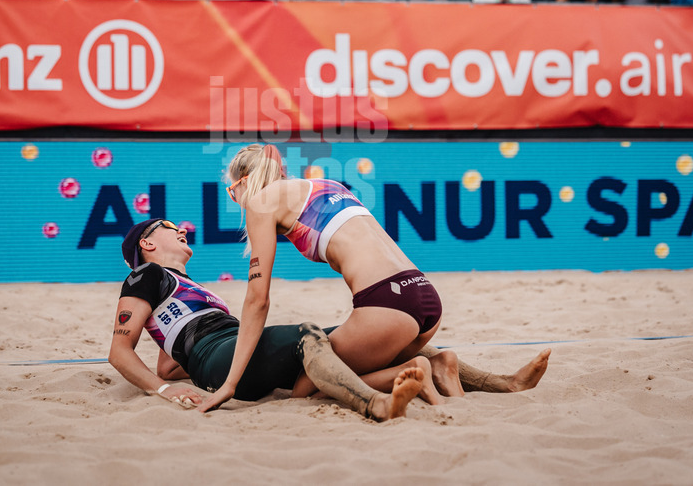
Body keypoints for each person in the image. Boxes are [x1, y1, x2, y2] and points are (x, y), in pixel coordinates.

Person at [197, 145, 445, 412]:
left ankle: (415, 367)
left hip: (387, 305)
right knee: (349, 369)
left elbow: (257, 301)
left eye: (233, 192)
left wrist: (229, 384)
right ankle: (442, 365)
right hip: (425, 295)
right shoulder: (328, 184)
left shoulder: (262, 201)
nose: (237, 200)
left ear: (244, 181)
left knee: (307, 391)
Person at [110, 218, 435, 421]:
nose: (181, 229)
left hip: (234, 352)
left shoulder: (186, 287)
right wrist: (165, 389)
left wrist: (173, 362)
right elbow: (120, 351)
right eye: (169, 226)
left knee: (362, 335)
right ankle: (374, 403)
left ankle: (442, 367)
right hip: (219, 359)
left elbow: (169, 362)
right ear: (147, 243)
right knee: (308, 333)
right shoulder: (145, 275)